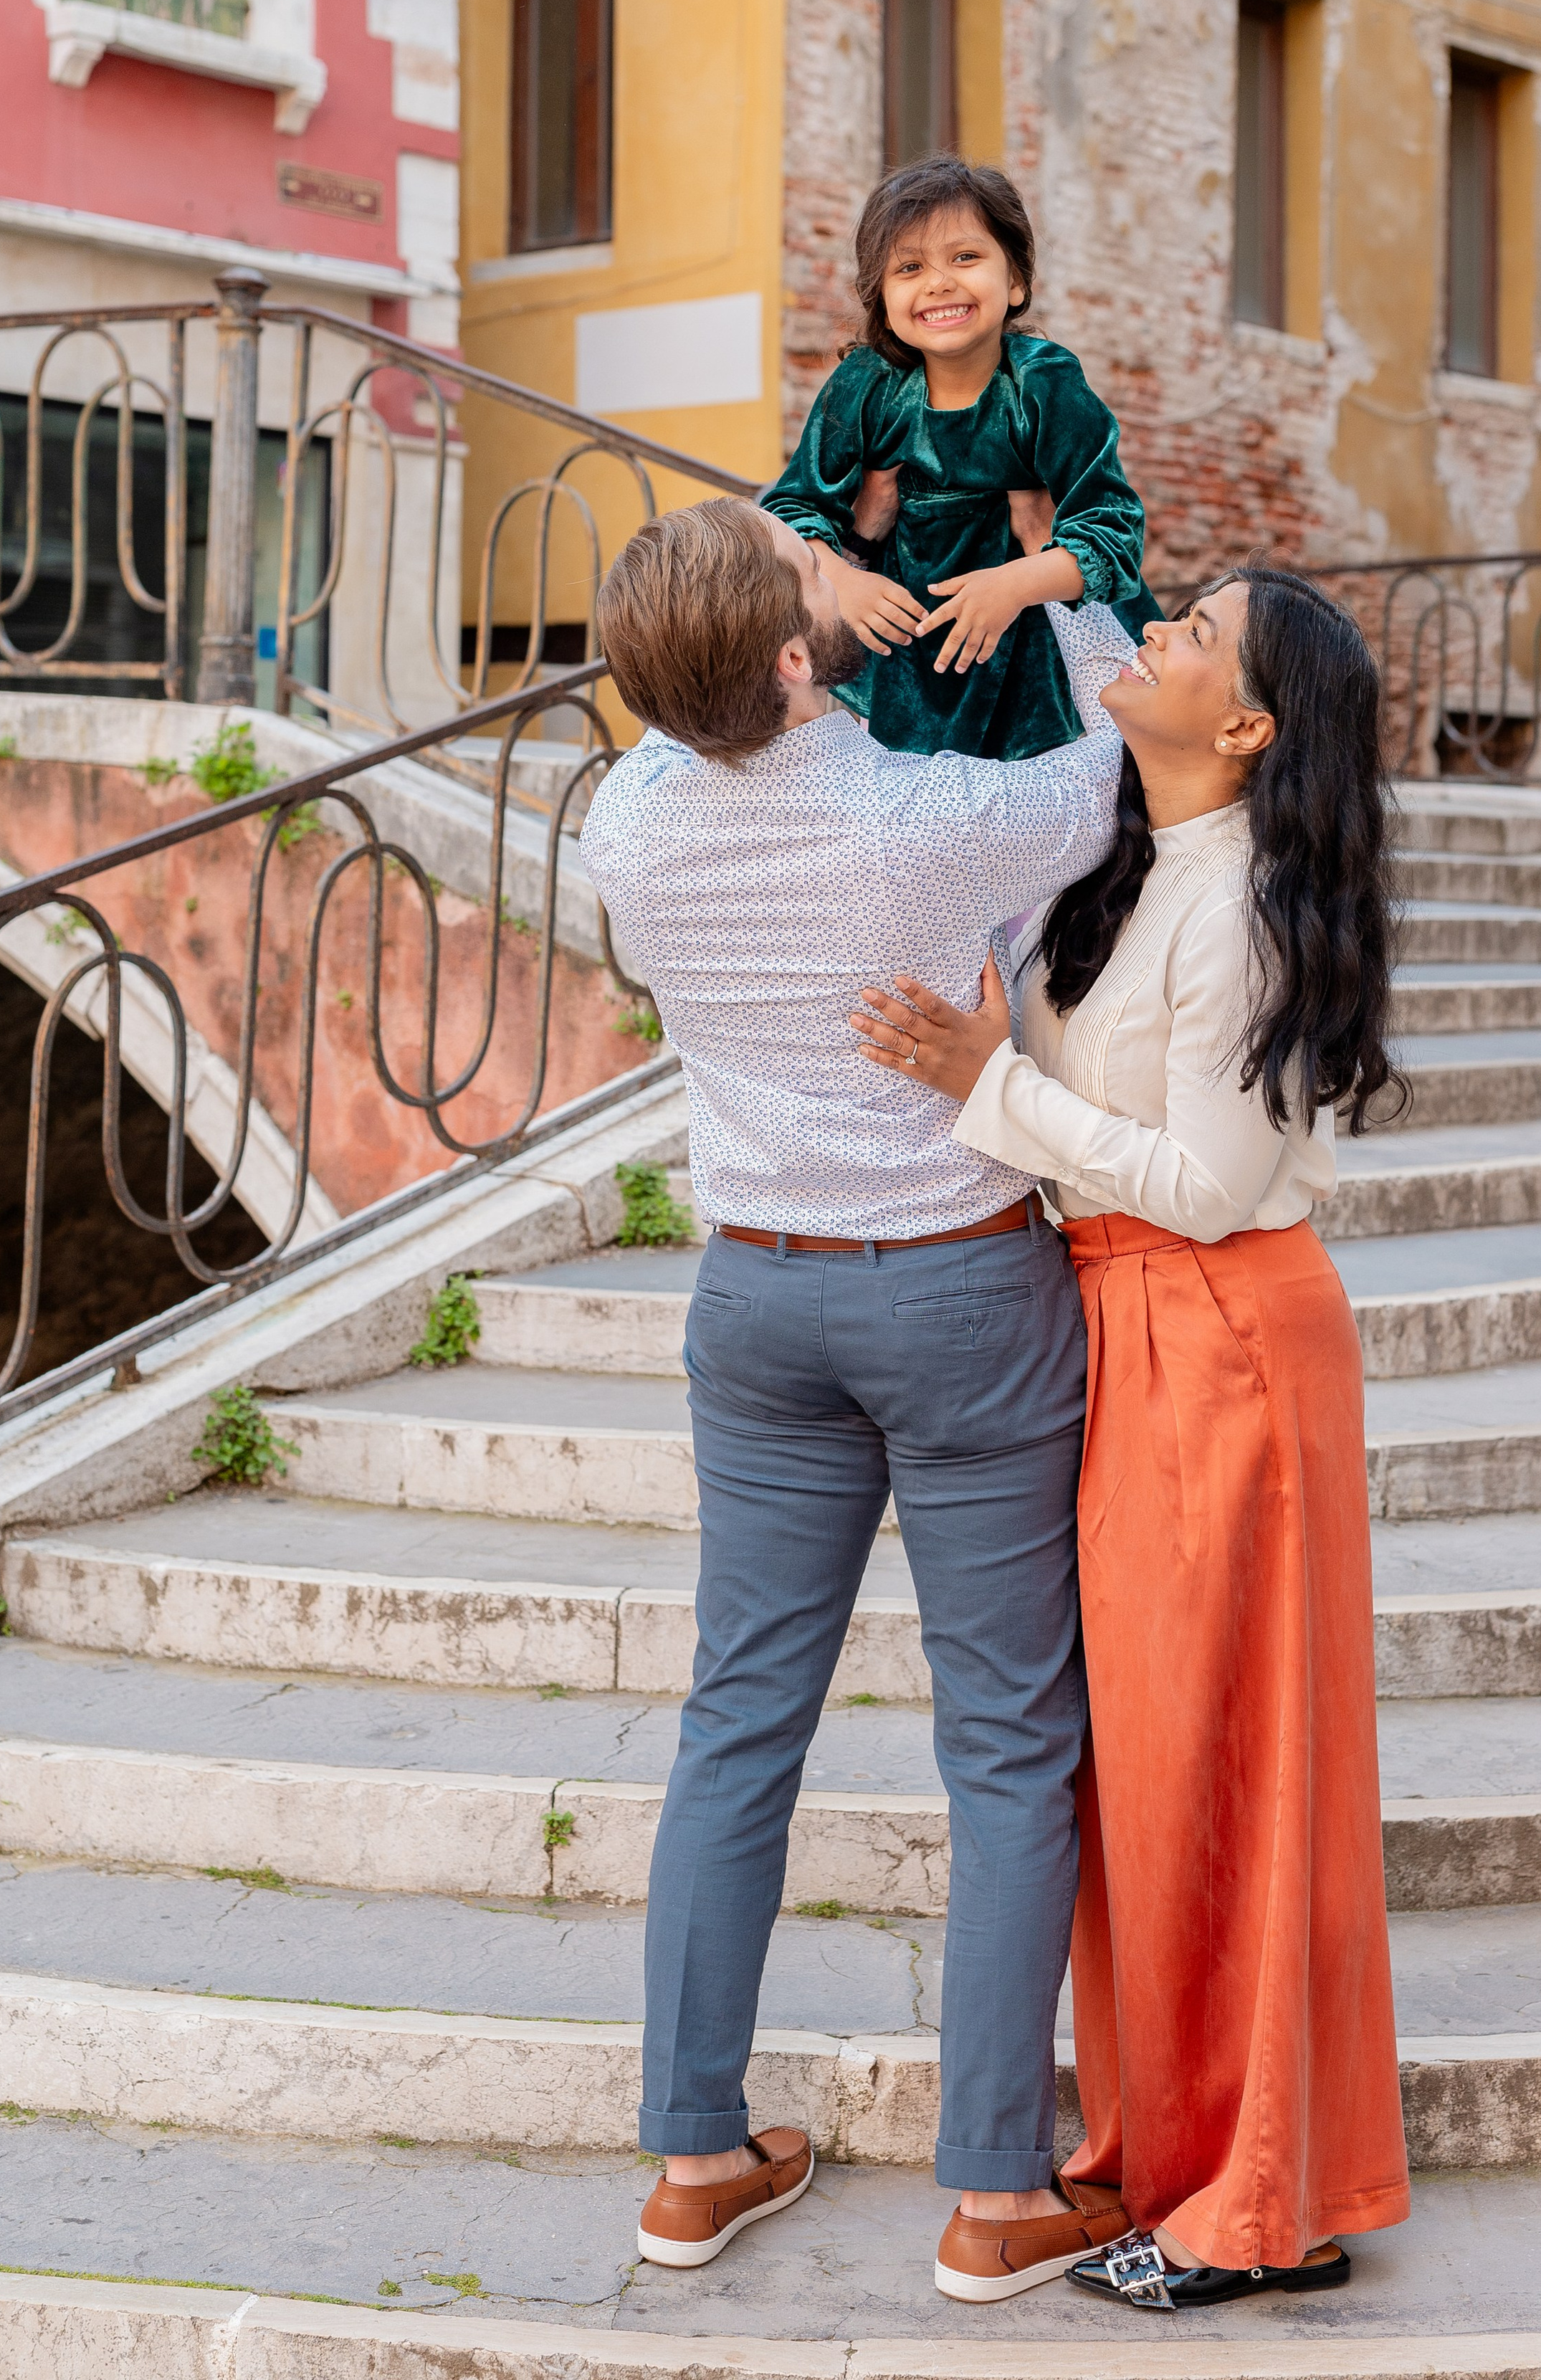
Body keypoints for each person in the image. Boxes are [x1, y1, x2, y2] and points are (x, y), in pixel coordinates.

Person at [578, 494, 1143, 2303]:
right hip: (960, 1291)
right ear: (786, 649)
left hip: (754, 1297)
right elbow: (1105, 764)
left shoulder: (630, 823)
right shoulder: (923, 821)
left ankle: (689, 2159)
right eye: (798, 561)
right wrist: (1063, 582)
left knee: (734, 1727)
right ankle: (991, 2194)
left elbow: (701, 731)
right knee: (1003, 1741)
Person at [850, 563, 1412, 2311]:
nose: (1151, 637)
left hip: (1224, 1333)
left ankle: (1259, 2205)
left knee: (1235, 1761)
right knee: (1146, 1771)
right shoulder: (1136, 859)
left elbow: (1207, 1185)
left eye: (1189, 636)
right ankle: (1167, 2155)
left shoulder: (1242, 901)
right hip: (1127, 1326)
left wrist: (981, 1086)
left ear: (1244, 726)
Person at [762, 153, 1159, 761]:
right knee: (916, 794)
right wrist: (845, 579)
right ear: (882, 295)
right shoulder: (867, 385)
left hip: (1037, 637)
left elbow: (1114, 530)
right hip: (909, 648)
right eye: (910, 267)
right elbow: (791, 507)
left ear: (1016, 281)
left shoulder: (1042, 385)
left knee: (1052, 788)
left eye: (966, 257)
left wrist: (1017, 584)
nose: (939, 282)